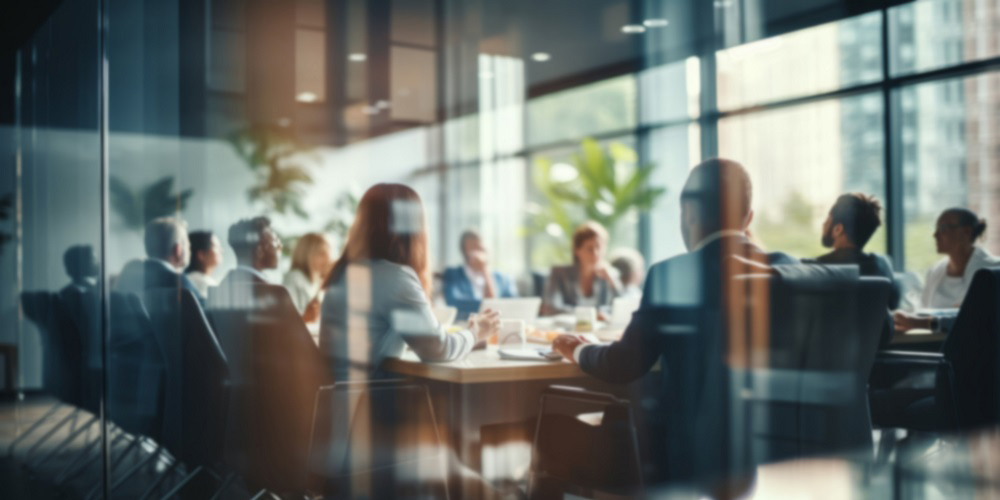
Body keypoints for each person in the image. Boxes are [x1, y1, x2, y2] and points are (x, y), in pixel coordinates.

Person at [551, 159, 796, 489]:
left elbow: (625, 364)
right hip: (780, 446)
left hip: (689, 451)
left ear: (689, 214)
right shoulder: (789, 270)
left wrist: (579, 350)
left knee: (561, 426)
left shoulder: (672, 274)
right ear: (749, 217)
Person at [319, 183, 499, 382]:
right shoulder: (393, 278)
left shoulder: (344, 272)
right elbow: (438, 349)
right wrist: (476, 332)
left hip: (335, 400)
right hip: (368, 404)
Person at [893, 208, 998, 333]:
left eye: (943, 228)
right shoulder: (934, 271)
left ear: (966, 232)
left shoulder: (993, 270)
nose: (935, 235)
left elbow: (979, 320)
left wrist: (920, 323)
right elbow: (922, 309)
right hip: (931, 343)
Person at [804, 193, 899, 308]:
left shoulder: (812, 268)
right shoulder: (883, 265)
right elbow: (893, 307)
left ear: (838, 229)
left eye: (827, 220)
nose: (823, 224)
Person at [541, 221, 622, 318]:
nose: (595, 253)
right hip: (567, 330)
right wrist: (591, 315)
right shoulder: (559, 273)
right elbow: (549, 308)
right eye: (589, 248)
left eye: (599, 247)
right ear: (577, 250)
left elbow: (622, 309)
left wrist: (611, 281)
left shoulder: (610, 275)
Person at [115, 217, 201, 301]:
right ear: (178, 249)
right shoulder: (180, 283)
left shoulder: (127, 276)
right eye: (187, 244)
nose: (190, 250)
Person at [441, 229, 518, 320]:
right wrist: (492, 307)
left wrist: (485, 271)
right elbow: (453, 303)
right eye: (473, 250)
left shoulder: (502, 278)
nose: (478, 254)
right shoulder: (453, 274)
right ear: (464, 253)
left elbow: (514, 305)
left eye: (481, 249)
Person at [283, 232, 334, 323]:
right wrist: (305, 317)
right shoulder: (294, 279)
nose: (328, 259)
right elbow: (285, 320)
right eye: (322, 254)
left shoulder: (318, 282)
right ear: (307, 254)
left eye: (328, 254)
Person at [219, 216, 282, 287]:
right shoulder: (274, 291)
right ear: (259, 251)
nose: (280, 247)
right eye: (276, 242)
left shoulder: (223, 285)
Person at [184, 230, 223, 299]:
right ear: (201, 255)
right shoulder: (202, 282)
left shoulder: (189, 279)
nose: (221, 250)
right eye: (216, 246)